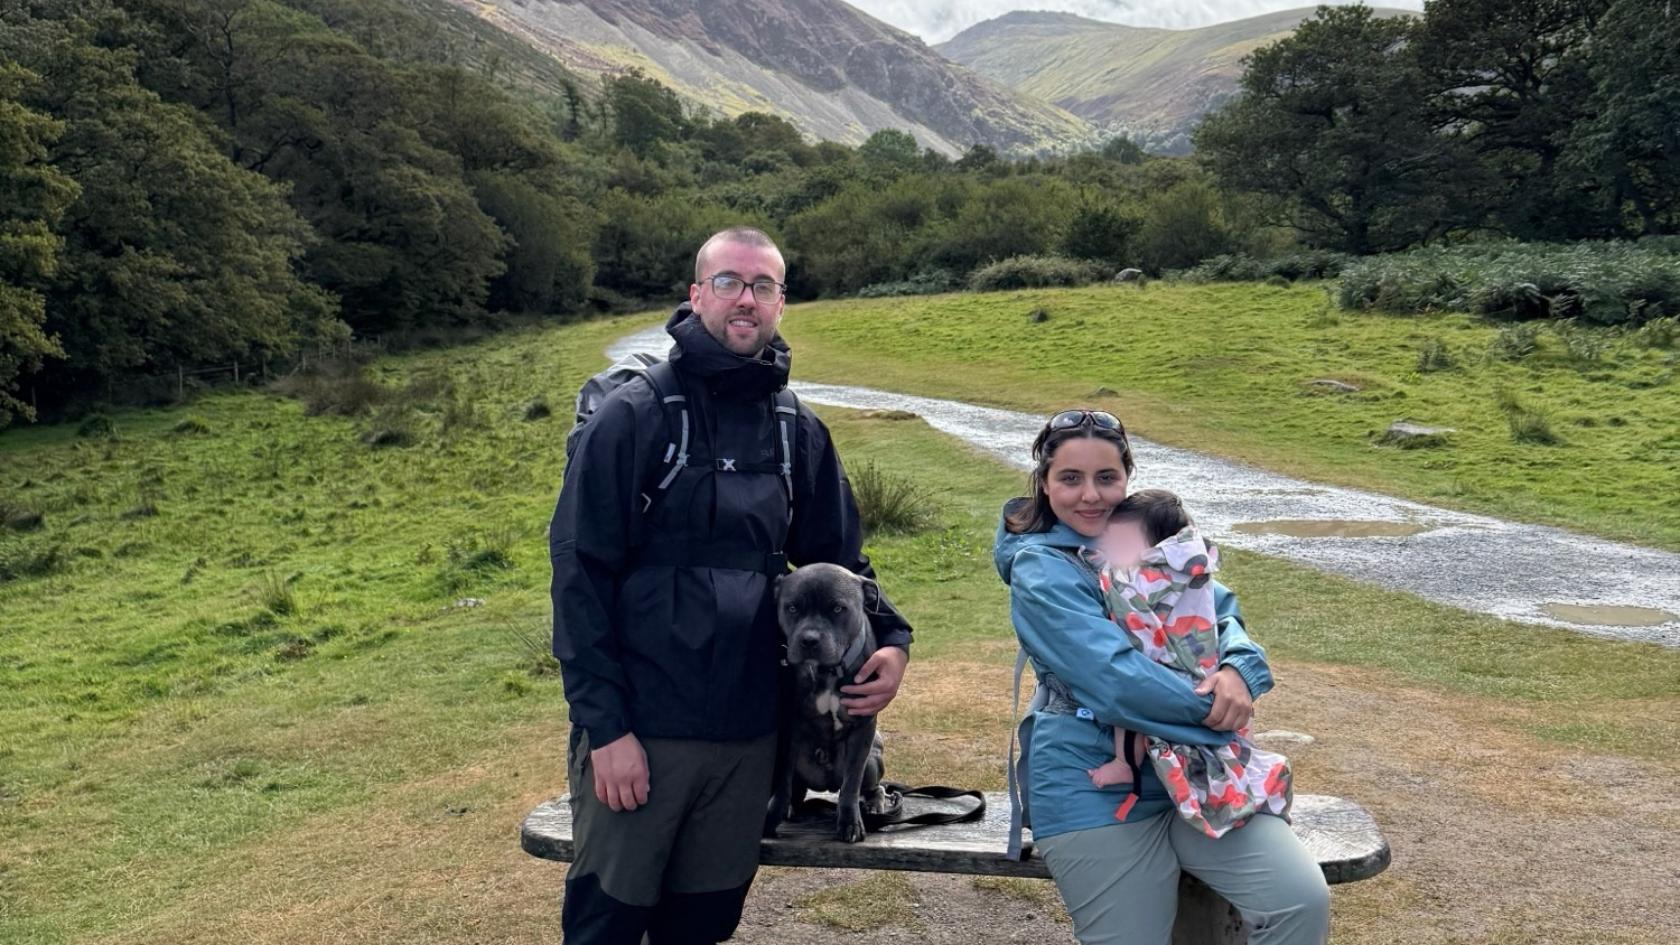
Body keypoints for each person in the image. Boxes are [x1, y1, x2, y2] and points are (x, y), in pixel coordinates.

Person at [550, 227, 914, 944]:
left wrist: (894, 641)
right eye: (728, 282)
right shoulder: (635, 416)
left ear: (781, 302)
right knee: (609, 922)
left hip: (752, 736)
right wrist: (607, 728)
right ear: (696, 295)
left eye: (763, 285)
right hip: (645, 730)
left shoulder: (796, 429)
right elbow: (579, 575)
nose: (746, 298)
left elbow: (841, 559)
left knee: (703, 922)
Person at [994, 409, 1329, 945]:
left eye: (1107, 477)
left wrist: (1238, 670)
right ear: (1045, 483)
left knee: (1299, 901)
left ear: (1126, 477)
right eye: (1071, 478)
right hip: (1091, 783)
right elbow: (1115, 682)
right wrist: (1217, 710)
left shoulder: (1145, 537)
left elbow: (1215, 610)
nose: (1091, 496)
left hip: (1194, 774)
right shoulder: (1041, 568)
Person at [1081, 490, 1294, 840]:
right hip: (1205, 669)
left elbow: (1130, 612)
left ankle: (1124, 763)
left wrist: (1241, 668)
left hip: (1178, 670)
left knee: (1131, 713)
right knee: (1231, 744)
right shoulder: (1194, 565)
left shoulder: (1142, 574)